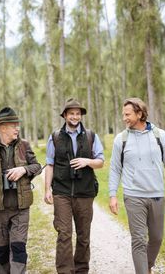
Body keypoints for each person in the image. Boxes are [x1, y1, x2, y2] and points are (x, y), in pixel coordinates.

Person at [108, 98, 165, 274]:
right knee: (138, 240)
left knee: (156, 238)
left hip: (156, 195)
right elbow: (115, 168)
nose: (124, 118)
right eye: (123, 114)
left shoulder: (160, 136)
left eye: (128, 114)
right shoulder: (121, 139)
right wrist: (112, 195)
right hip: (133, 196)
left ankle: (147, 266)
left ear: (140, 113)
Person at [0, 107, 41, 274]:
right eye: (14, 125)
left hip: (20, 209)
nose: (17, 128)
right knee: (1, 253)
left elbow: (37, 167)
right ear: (2, 127)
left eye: (17, 124)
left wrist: (23, 170)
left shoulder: (24, 145)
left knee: (19, 250)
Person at [44, 98, 105, 274]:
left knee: (84, 236)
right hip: (61, 192)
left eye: (78, 113)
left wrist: (87, 161)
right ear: (64, 115)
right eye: (71, 113)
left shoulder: (91, 136)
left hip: (85, 193)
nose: (75, 116)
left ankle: (81, 270)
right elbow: (50, 164)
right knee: (64, 234)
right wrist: (47, 189)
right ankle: (64, 271)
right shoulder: (55, 137)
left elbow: (100, 162)